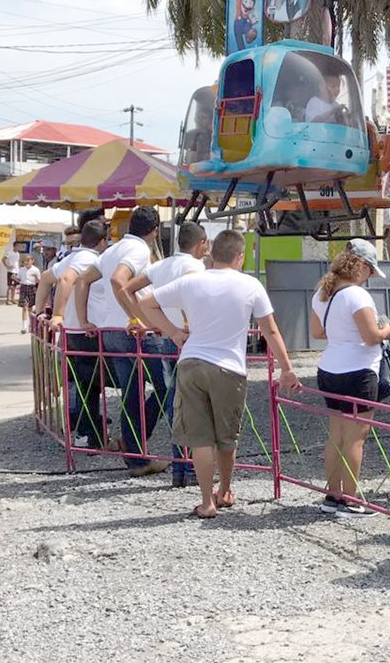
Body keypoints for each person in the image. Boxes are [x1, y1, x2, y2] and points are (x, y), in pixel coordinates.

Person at [140, 230, 299, 519]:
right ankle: (225, 491)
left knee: (200, 438)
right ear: (240, 257)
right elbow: (270, 330)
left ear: (211, 253)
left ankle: (206, 502)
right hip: (230, 366)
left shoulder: (191, 281)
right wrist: (287, 368)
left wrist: (174, 332)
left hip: (191, 362)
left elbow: (146, 302)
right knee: (227, 437)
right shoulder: (250, 285)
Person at [75, 206, 165, 477]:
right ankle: (137, 445)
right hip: (133, 332)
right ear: (155, 230)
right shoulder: (139, 250)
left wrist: (84, 320)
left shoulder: (113, 249)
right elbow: (118, 280)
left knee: (131, 393)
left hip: (110, 330)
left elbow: (83, 280)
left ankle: (135, 453)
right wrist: (138, 318)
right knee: (166, 386)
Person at [310, 238, 390, 517]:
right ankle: (351, 498)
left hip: (329, 368)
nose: (370, 277)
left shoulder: (323, 292)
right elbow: (371, 337)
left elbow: (317, 332)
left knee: (336, 436)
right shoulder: (358, 296)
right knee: (356, 438)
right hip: (358, 371)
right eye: (370, 270)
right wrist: (387, 330)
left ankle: (332, 495)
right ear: (360, 266)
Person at [125, 221, 210, 488]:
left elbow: (129, 289)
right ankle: (193, 468)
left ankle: (181, 467)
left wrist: (151, 322)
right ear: (201, 243)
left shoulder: (160, 265)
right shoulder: (195, 267)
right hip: (190, 337)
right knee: (196, 404)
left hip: (168, 339)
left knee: (175, 401)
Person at [44, 219, 110, 449]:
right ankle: (88, 433)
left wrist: (41, 310)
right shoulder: (88, 259)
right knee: (89, 385)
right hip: (84, 331)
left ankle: (88, 433)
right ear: (102, 241)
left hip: (76, 330)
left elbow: (45, 279)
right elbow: (65, 280)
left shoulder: (72, 257)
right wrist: (58, 314)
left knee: (85, 385)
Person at [17, 254, 41, 333]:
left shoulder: (35, 270)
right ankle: (24, 326)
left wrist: (36, 277)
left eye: (28, 260)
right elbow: (19, 279)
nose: (26, 262)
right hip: (23, 287)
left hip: (32, 287)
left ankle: (31, 325)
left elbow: (39, 281)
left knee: (30, 308)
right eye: (25, 261)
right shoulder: (21, 269)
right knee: (24, 307)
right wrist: (15, 279)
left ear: (32, 261)